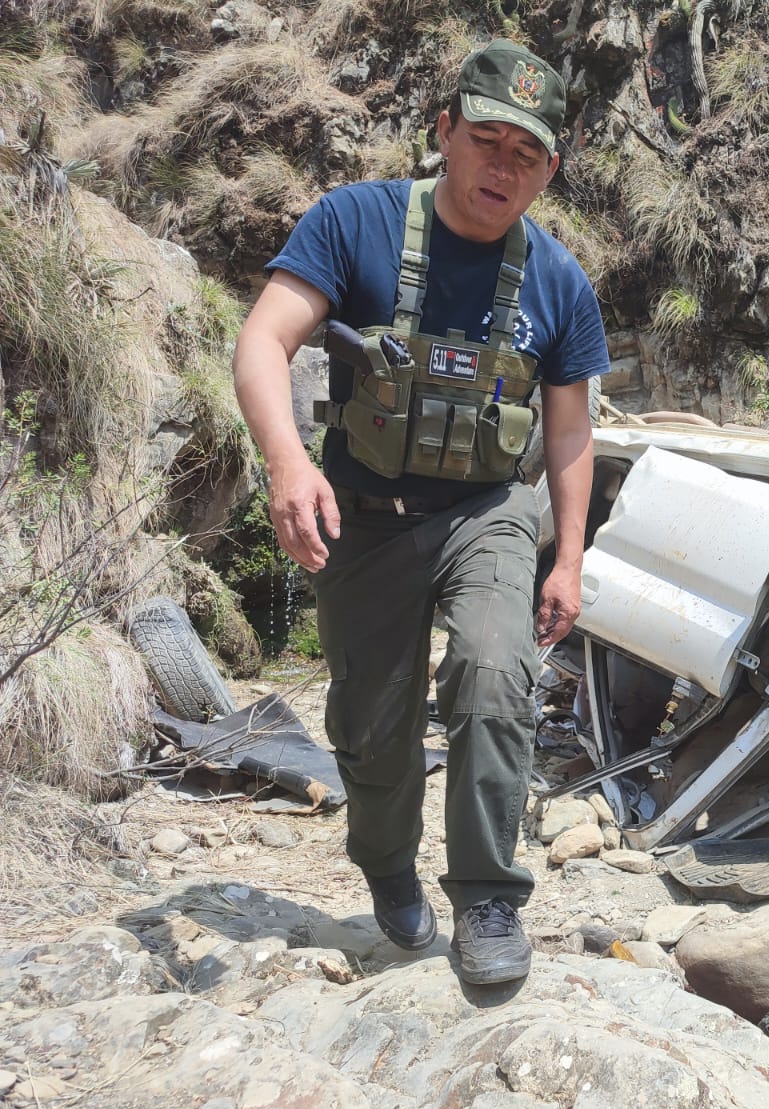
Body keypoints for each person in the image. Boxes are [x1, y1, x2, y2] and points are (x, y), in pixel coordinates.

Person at [233, 39, 608, 986]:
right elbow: (265, 339)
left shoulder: (559, 283)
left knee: (493, 668)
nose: (502, 167)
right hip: (365, 519)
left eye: (526, 154)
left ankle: (487, 894)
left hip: (488, 511)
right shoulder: (353, 223)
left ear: (549, 169)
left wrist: (567, 556)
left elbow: (569, 433)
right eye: (485, 140)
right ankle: (389, 869)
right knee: (372, 722)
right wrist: (286, 463)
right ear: (443, 132)